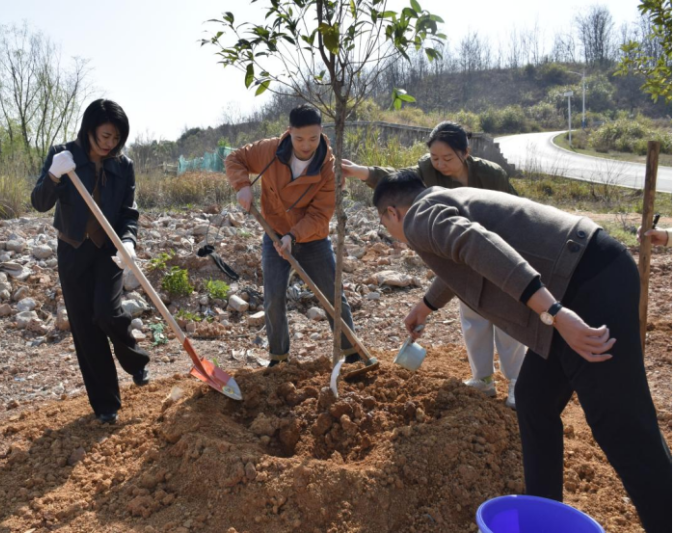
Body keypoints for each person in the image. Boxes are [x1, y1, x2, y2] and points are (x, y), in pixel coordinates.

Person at [372, 170, 671, 533]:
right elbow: (460, 259)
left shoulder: (419, 216)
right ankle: (543, 520)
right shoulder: (439, 201)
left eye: (388, 229)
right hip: (580, 273)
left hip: (585, 282)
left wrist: (555, 313)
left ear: (392, 213)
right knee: (534, 399)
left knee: (622, 424)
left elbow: (476, 244)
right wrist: (426, 305)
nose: (396, 238)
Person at [342, 122, 525, 408]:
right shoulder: (428, 171)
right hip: (461, 253)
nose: (440, 165)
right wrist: (360, 172)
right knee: (473, 317)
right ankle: (483, 379)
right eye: (435, 158)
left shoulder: (491, 175)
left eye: (447, 158)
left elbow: (515, 211)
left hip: (498, 249)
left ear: (466, 152)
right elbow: (398, 183)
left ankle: (517, 383)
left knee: (506, 321)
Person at [31, 99, 150, 424]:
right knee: (85, 326)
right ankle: (105, 403)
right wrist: (54, 175)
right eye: (105, 136)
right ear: (90, 129)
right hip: (72, 249)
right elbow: (39, 202)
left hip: (108, 249)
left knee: (107, 311)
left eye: (116, 138)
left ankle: (136, 361)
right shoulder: (63, 155)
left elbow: (128, 211)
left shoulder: (123, 166)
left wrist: (128, 241)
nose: (110, 143)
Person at [225, 104, 360, 366]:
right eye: (299, 139)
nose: (306, 145)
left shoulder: (329, 169)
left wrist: (294, 236)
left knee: (333, 297)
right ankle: (279, 359)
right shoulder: (270, 150)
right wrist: (242, 186)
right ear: (289, 133)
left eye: (312, 138)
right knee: (274, 298)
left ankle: (352, 353)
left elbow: (320, 215)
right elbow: (235, 159)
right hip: (274, 234)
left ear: (321, 132)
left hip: (313, 239)